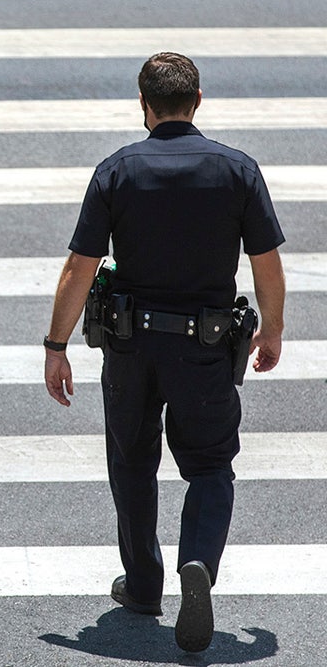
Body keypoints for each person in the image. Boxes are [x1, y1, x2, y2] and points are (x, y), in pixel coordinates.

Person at [43, 52, 286, 653]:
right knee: (209, 466)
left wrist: (56, 344)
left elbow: (80, 267)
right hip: (204, 348)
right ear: (197, 99)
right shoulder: (237, 170)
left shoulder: (118, 170)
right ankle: (197, 562)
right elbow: (267, 263)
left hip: (130, 346)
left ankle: (146, 584)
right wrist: (273, 329)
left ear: (144, 105)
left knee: (131, 462)